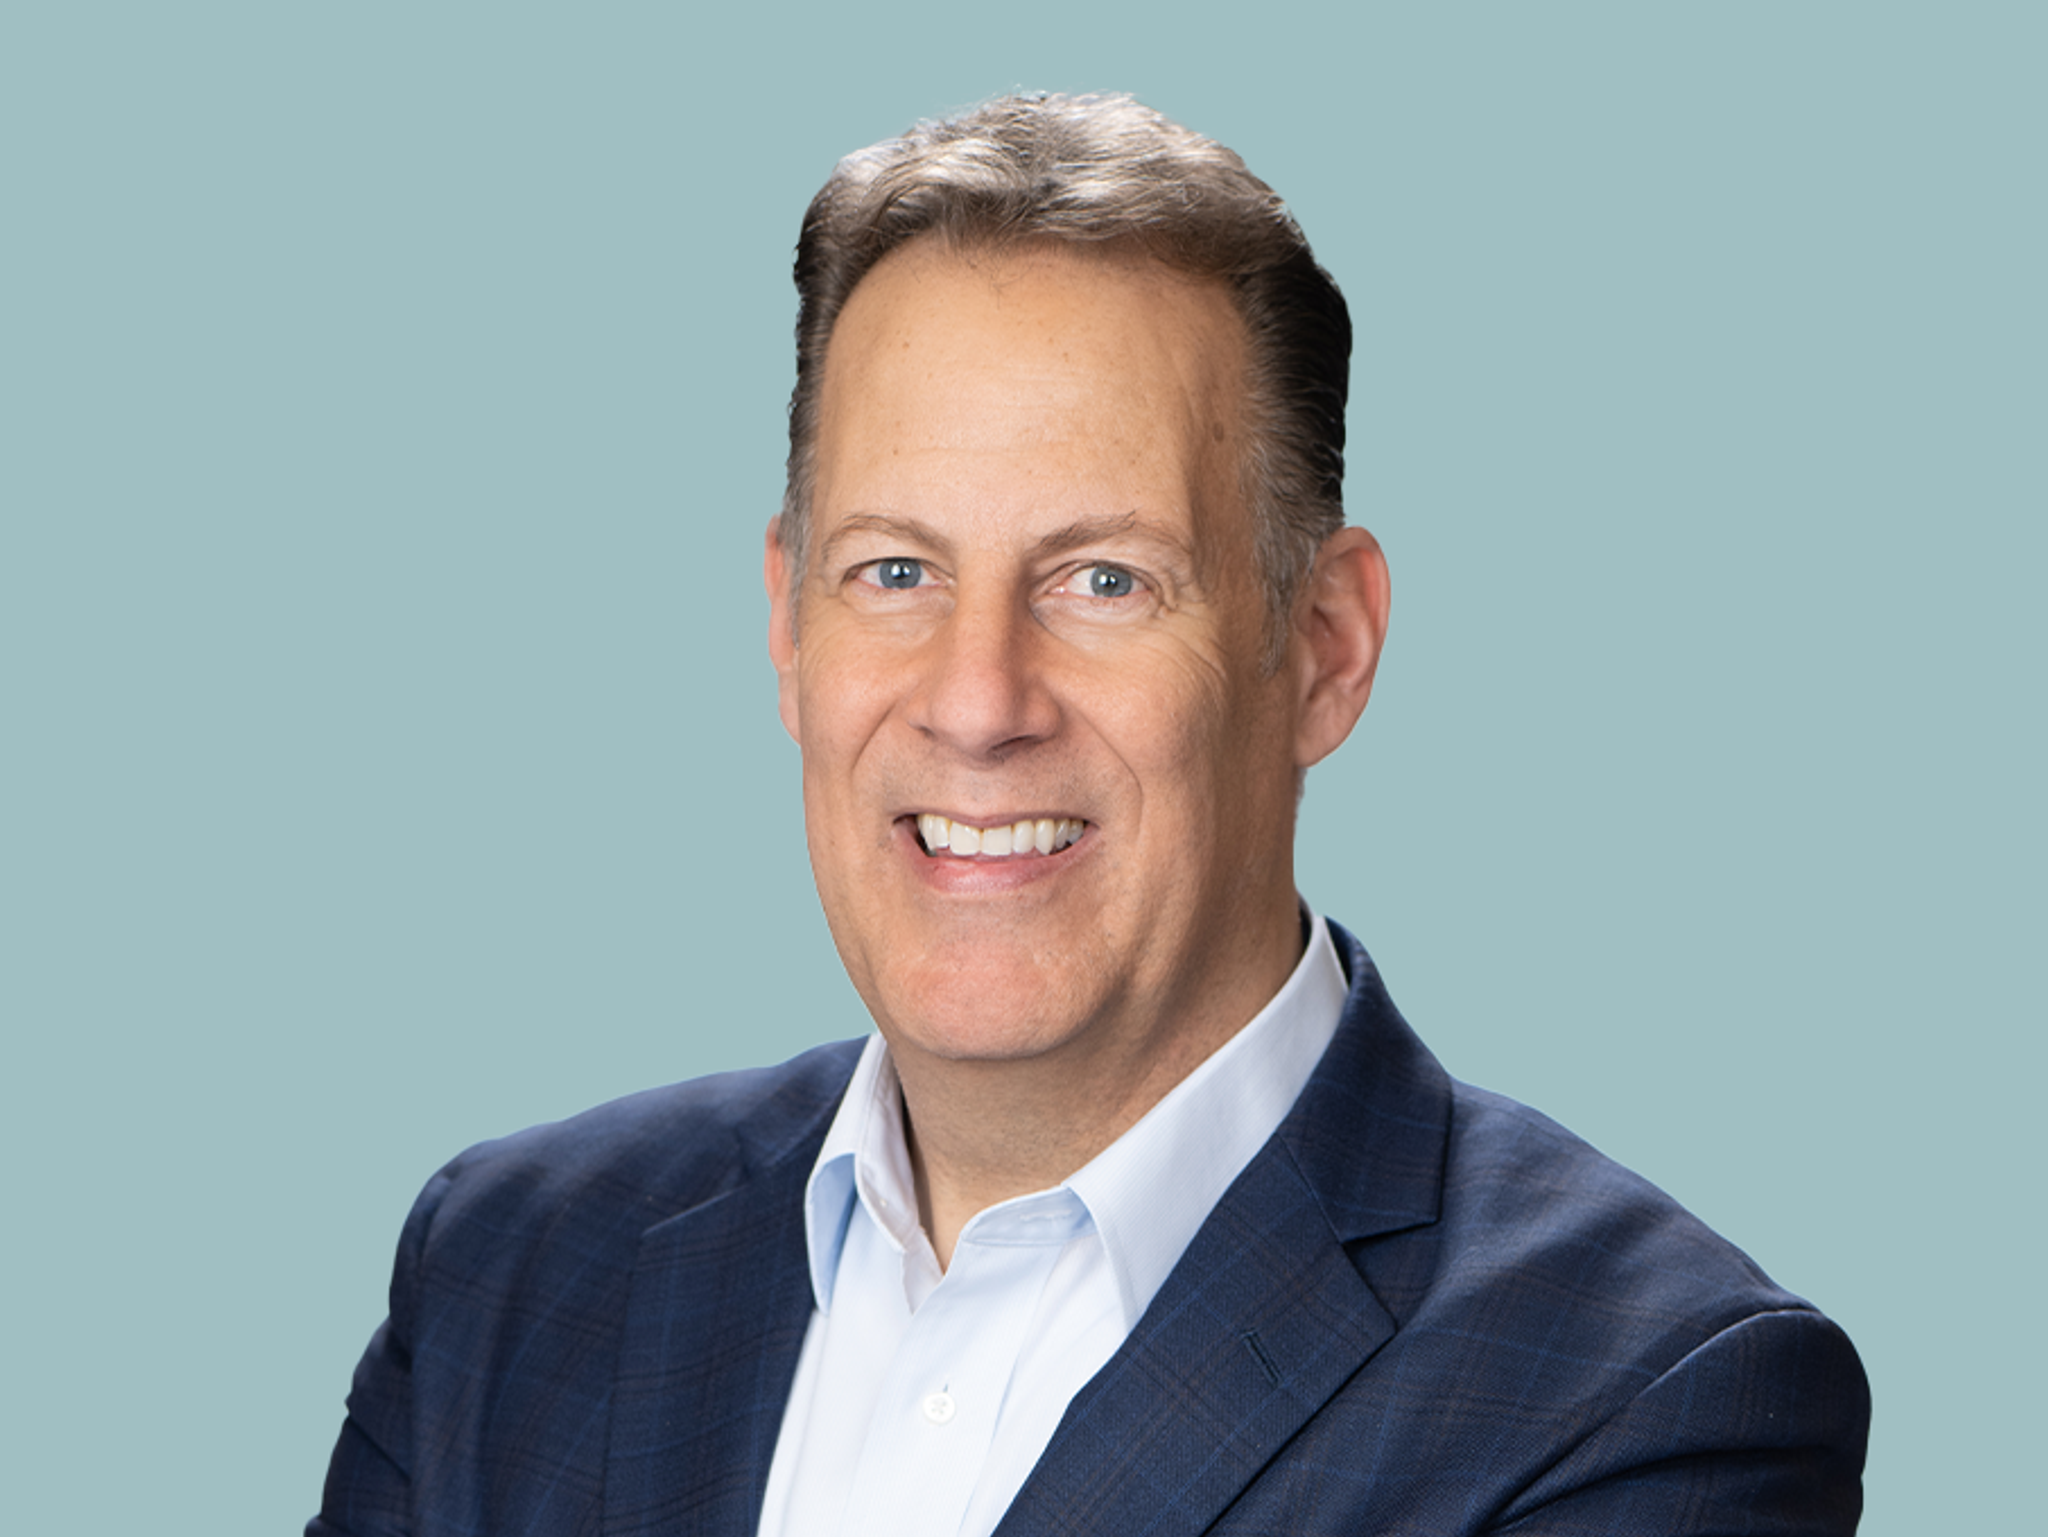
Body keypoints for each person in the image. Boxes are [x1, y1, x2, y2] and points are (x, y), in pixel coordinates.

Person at [311, 93, 1869, 1536]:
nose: (977, 699)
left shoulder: (1643, 1403)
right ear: (787, 622)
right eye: (896, 572)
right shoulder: (510, 1272)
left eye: (1105, 580)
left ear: (1326, 649)